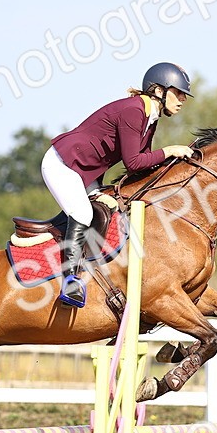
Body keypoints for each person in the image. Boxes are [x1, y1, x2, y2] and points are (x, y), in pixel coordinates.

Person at [41, 62, 196, 308]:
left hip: (85, 171)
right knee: (82, 213)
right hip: (63, 164)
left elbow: (144, 164)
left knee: (109, 210)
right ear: (159, 90)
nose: (182, 99)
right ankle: (70, 281)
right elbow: (134, 162)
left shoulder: (150, 116)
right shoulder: (134, 111)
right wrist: (170, 150)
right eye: (178, 93)